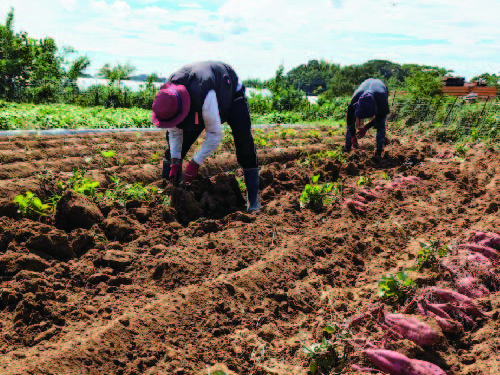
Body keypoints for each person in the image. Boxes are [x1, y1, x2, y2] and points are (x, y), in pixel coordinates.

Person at [151, 61, 261, 211]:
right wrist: (175, 162)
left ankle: (253, 202)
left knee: (244, 144)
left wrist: (194, 164)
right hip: (199, 100)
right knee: (173, 152)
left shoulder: (205, 97)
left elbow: (215, 134)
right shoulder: (168, 96)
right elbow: (174, 131)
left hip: (228, 91)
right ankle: (169, 197)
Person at [344, 78, 390, 160]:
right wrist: (352, 134)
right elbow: (350, 119)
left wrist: (366, 127)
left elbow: (380, 117)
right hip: (364, 85)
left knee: (381, 125)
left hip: (380, 89)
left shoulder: (382, 99)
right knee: (350, 129)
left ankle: (379, 152)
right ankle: (347, 148)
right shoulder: (354, 99)